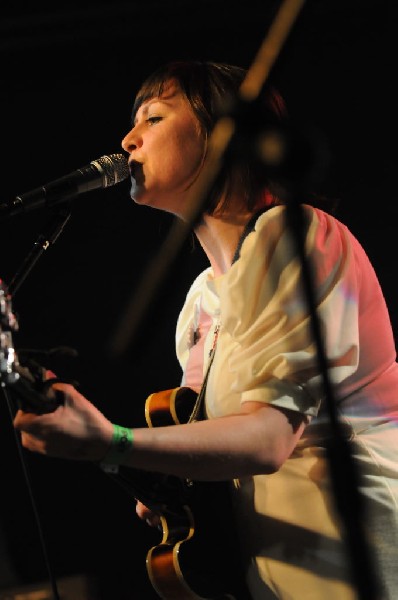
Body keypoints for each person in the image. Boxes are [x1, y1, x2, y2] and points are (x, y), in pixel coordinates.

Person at [12, 60, 398, 599]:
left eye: (153, 118)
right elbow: (209, 441)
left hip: (352, 557)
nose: (128, 140)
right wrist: (160, 474)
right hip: (273, 572)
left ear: (220, 134)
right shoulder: (202, 301)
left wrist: (113, 442)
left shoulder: (296, 234)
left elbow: (265, 439)